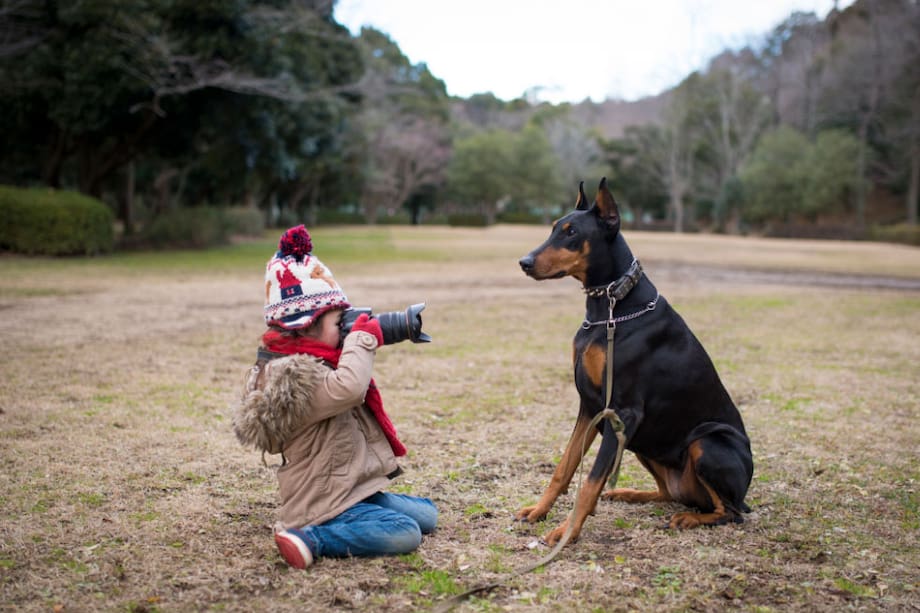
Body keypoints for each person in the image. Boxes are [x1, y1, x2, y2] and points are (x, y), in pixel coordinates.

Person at [233, 225, 437, 568]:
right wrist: (363, 337)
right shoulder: (293, 382)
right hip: (321, 503)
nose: (346, 329)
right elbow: (350, 388)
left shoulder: (317, 362)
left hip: (346, 490)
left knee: (428, 516)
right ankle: (309, 538)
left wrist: (376, 331)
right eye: (338, 322)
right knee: (406, 532)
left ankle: (358, 513)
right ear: (305, 326)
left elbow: (348, 376)